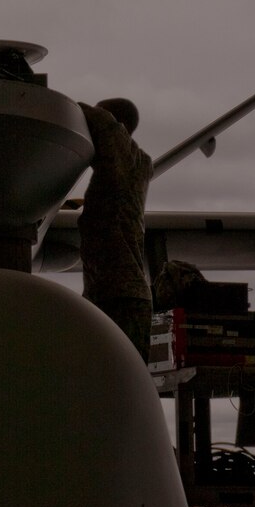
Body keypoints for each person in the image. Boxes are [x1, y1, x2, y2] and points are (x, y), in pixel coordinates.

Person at [77, 98, 154, 363]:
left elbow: (101, 121)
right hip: (123, 296)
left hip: (115, 296)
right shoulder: (139, 162)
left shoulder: (122, 153)